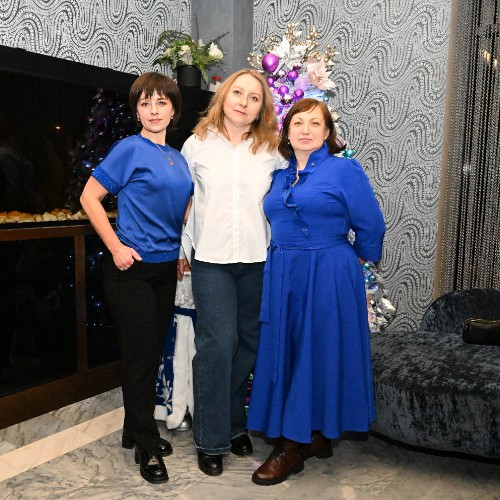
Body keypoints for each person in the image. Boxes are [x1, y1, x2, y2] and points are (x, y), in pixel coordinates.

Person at [246, 98, 386, 485]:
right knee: (288, 352)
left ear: (327, 133)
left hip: (328, 272)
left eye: (314, 123)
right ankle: (314, 434)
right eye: (298, 123)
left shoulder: (343, 170)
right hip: (283, 272)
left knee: (316, 351)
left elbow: (371, 224)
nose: (305, 130)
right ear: (287, 132)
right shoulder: (279, 176)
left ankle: (291, 444)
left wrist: (352, 261)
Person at [80, 72, 193, 484]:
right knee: (141, 356)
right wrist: (115, 247)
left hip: (164, 269)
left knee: (149, 352)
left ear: (173, 109)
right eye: (145, 103)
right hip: (130, 271)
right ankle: (146, 443)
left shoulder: (178, 157)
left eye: (161, 102)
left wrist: (180, 251)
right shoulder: (129, 148)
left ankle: (134, 428)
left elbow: (183, 207)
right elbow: (89, 197)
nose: (154, 110)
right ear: (137, 111)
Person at [181, 68, 281, 476]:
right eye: (237, 93)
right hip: (211, 259)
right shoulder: (196, 145)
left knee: (248, 345)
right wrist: (180, 247)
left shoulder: (272, 150)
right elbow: (185, 199)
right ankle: (210, 437)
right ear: (223, 97)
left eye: (254, 98)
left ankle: (235, 423)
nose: (244, 102)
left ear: (261, 109)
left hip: (258, 259)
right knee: (218, 344)